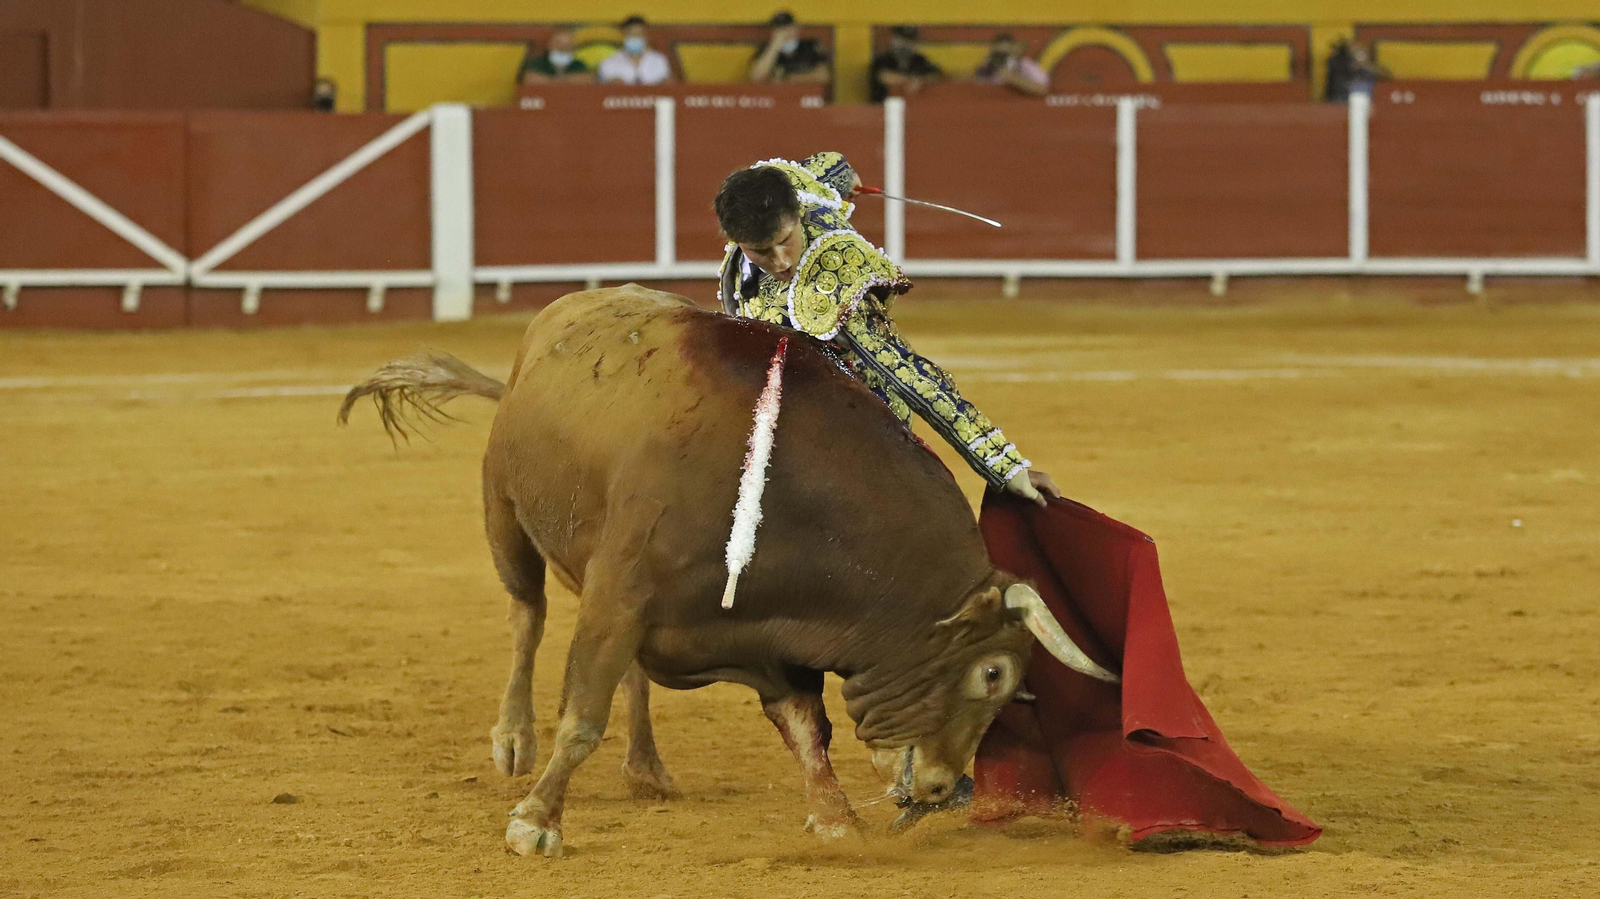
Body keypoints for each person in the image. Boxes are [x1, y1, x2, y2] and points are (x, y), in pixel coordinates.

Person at [714, 153, 1060, 505]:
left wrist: (1003, 465)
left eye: (785, 240)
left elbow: (907, 373)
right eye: (762, 251)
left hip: (861, 421)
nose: (781, 261)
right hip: (786, 402)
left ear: (798, 213)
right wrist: (845, 178)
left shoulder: (836, 276)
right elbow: (824, 167)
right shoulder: (780, 186)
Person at [748, 11, 830, 84]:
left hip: (806, 97)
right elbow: (756, 78)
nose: (784, 32)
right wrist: (775, 46)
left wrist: (789, 79)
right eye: (779, 29)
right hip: (777, 97)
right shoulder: (766, 49)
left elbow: (824, 76)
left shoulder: (810, 46)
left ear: (796, 28)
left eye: (787, 27)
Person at [870, 25, 943, 103]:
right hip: (884, 107)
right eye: (901, 39)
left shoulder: (918, 60)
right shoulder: (883, 60)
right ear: (893, 39)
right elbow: (884, 76)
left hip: (915, 107)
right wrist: (910, 80)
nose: (904, 44)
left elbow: (937, 75)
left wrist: (921, 81)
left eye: (908, 41)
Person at [597, 15, 673, 85]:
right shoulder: (609, 64)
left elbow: (668, 86)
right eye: (632, 34)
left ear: (646, 36)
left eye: (639, 34)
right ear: (624, 35)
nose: (635, 37)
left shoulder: (659, 61)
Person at [973, 33, 1048, 96]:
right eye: (998, 54)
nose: (1000, 57)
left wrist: (1012, 78)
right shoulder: (985, 67)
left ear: (1013, 48)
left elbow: (1043, 89)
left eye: (1004, 54)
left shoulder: (1024, 65)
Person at [519, 26, 593, 84]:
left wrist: (550, 81)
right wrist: (567, 81)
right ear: (549, 45)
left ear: (573, 49)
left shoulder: (578, 64)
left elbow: (587, 79)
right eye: (558, 44)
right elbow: (530, 79)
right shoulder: (537, 63)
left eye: (568, 45)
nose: (562, 48)